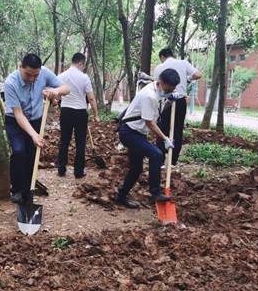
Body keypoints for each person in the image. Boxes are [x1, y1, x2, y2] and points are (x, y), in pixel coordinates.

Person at [4, 53, 71, 204]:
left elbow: (67, 88)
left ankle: (27, 191)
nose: (32, 79)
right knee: (19, 152)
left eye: (36, 75)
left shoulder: (44, 73)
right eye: (28, 74)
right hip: (15, 121)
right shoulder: (10, 83)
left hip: (35, 120)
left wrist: (56, 92)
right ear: (20, 67)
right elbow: (18, 114)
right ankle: (16, 189)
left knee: (32, 157)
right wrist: (34, 135)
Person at [115, 69, 181, 209]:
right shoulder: (149, 95)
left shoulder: (156, 88)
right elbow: (149, 122)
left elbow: (159, 103)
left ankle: (121, 196)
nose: (170, 91)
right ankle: (155, 192)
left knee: (136, 168)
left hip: (137, 133)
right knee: (156, 154)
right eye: (169, 89)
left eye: (173, 89)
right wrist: (165, 139)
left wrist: (169, 99)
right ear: (162, 83)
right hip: (129, 133)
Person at [153, 48, 202, 165]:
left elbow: (157, 86)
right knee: (177, 131)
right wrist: (188, 79)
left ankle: (160, 160)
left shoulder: (158, 68)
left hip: (164, 102)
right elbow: (198, 74)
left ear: (162, 57)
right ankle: (173, 161)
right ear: (172, 55)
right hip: (180, 101)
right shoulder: (183, 63)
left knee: (161, 130)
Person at [57, 52, 99, 178]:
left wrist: (56, 102)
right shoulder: (84, 77)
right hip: (80, 113)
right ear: (80, 63)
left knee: (64, 141)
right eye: (83, 65)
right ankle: (78, 172)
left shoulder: (61, 76)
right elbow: (91, 98)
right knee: (80, 142)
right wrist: (96, 114)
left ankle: (61, 169)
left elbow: (57, 95)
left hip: (65, 111)